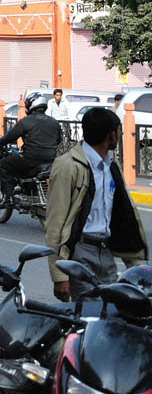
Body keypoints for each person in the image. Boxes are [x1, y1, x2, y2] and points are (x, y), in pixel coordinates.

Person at [45, 107, 148, 301]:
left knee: (112, 312)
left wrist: (137, 264)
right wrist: (59, 276)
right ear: (111, 135)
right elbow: (55, 223)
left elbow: (123, 214)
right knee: (89, 316)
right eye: (119, 131)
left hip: (105, 253)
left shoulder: (111, 166)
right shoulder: (68, 166)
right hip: (80, 253)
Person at [0, 92, 62, 205]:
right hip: (51, 160)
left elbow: (10, 136)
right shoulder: (54, 122)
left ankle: (8, 198)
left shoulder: (26, 121)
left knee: (5, 164)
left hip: (30, 160)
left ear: (30, 105)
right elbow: (59, 140)